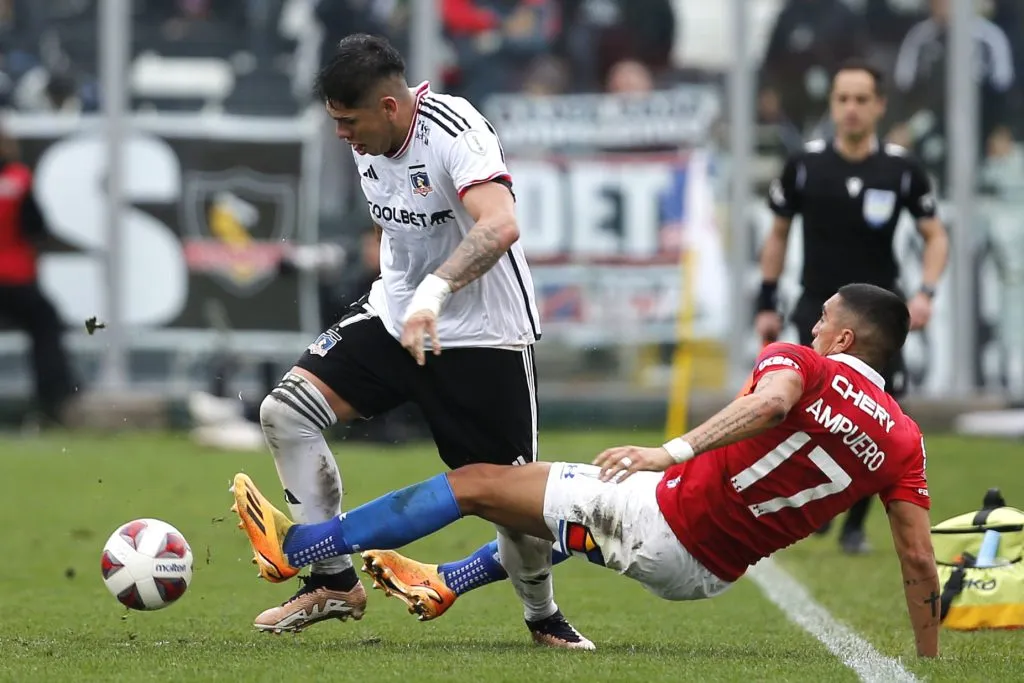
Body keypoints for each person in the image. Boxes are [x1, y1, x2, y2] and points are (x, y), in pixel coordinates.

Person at [231, 283, 940, 658]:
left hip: (665, 516)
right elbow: (916, 559)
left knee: (478, 482)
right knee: (551, 503)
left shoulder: (804, 363)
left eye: (823, 320)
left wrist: (673, 450)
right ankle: (449, 580)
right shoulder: (905, 441)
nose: (813, 327)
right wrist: (928, 659)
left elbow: (773, 401)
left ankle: (303, 547)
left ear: (844, 337)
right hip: (710, 572)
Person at [245, 33, 592, 649]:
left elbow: (501, 224)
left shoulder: (456, 130)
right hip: (394, 319)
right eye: (334, 121)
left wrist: (434, 291)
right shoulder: (368, 140)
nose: (342, 135)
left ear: (389, 106)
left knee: (515, 505)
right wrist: (409, 296)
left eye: (348, 122)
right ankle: (333, 581)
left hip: (483, 337)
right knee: (285, 412)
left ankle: (542, 615)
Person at [755, 58, 949, 554]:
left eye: (862, 99)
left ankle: (856, 526)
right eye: (843, 99)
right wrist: (767, 300)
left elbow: (935, 235)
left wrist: (925, 293)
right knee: (809, 410)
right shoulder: (805, 165)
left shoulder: (901, 169)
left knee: (881, 418)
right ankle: (814, 504)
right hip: (818, 311)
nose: (851, 109)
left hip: (880, 317)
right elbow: (777, 234)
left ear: (879, 105)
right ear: (832, 104)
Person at [0, 127, 77, 427]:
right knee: (46, 324)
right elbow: (36, 228)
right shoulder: (19, 180)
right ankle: (55, 399)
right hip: (15, 277)